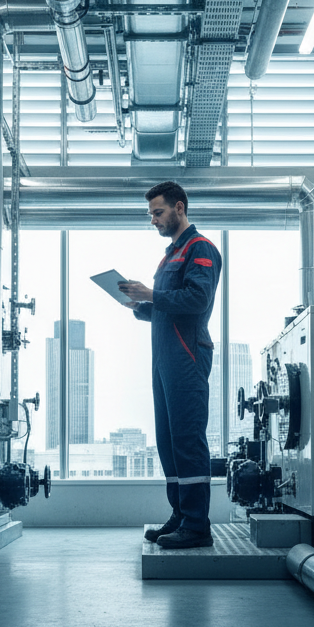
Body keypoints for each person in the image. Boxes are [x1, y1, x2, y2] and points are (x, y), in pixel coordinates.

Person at [118, 181, 222, 550]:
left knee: (188, 440)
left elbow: (196, 299)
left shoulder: (200, 248)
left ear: (179, 208)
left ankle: (197, 525)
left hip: (187, 358)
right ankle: (180, 515)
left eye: (158, 212)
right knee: (168, 442)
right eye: (150, 215)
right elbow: (168, 306)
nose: (154, 220)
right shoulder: (169, 256)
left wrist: (152, 294)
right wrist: (141, 307)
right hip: (163, 359)